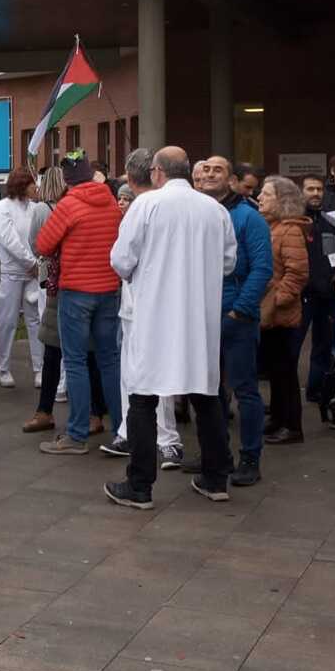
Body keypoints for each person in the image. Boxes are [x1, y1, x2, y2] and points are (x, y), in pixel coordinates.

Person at [105, 147, 239, 507]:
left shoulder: (145, 207)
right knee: (206, 398)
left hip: (155, 318)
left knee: (143, 401)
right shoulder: (214, 210)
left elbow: (120, 259)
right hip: (199, 320)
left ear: (156, 172)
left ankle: (140, 485)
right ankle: (215, 478)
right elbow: (229, 262)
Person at [35, 152, 123, 456]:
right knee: (109, 360)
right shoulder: (111, 202)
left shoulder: (68, 205)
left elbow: (43, 244)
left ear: (68, 180)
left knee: (74, 361)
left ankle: (76, 434)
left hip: (76, 292)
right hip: (109, 289)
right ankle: (121, 429)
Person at [102, 149, 184, 468]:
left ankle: (166, 439)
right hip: (141, 305)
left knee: (153, 374)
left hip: (148, 303)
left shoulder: (146, 207)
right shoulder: (169, 206)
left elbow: (121, 260)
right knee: (134, 374)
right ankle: (131, 432)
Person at [196, 155, 273, 486]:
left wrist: (239, 310)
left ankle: (250, 458)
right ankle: (215, 455)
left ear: (231, 180)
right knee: (206, 391)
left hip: (236, 318)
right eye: (206, 169)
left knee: (244, 390)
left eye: (219, 170)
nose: (211, 174)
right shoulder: (198, 214)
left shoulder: (248, 218)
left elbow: (262, 269)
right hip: (201, 316)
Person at [257, 176, 311, 445]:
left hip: (282, 314)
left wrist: (278, 299)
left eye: (266, 194)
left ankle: (291, 425)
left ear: (282, 201)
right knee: (276, 371)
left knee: (286, 371)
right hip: (270, 312)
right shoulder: (273, 227)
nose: (260, 198)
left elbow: (298, 273)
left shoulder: (288, 230)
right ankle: (277, 418)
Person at [0, 168, 44, 390]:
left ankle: (39, 369)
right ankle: (4, 369)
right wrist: (31, 262)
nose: (36, 188)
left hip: (33, 271)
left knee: (35, 320)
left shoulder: (35, 208)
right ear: (22, 185)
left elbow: (41, 235)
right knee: (7, 322)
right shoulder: (1, 208)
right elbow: (8, 239)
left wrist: (35, 263)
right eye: (33, 184)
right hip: (10, 271)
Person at [23, 165, 68, 432]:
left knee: (47, 329)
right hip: (65, 274)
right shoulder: (66, 206)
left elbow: (34, 242)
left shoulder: (40, 210)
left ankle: (51, 386)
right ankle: (63, 383)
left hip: (47, 274)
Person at [301, 174, 335, 408]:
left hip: (327, 297)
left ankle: (316, 391)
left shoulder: (331, 223)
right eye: (310, 189)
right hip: (301, 297)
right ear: (302, 192)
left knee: (324, 346)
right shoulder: (293, 222)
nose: (316, 193)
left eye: (318, 189)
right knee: (291, 347)